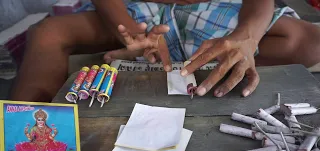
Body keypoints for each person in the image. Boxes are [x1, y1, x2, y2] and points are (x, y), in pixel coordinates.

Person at [10, 0, 320, 102]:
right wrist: (129, 31)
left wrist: (247, 38)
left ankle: (224, 54)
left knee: (311, 42)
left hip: (216, 8)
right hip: (138, 8)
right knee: (47, 35)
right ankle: (26, 147)